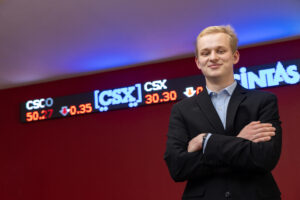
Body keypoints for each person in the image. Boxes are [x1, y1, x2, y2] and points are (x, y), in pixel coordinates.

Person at [164, 25, 282, 200]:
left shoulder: (263, 101)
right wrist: (240, 142)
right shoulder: (182, 110)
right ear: (198, 62)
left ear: (235, 56)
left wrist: (206, 141)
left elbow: (265, 158)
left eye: (220, 51)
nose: (213, 58)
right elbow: (178, 167)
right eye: (205, 53)